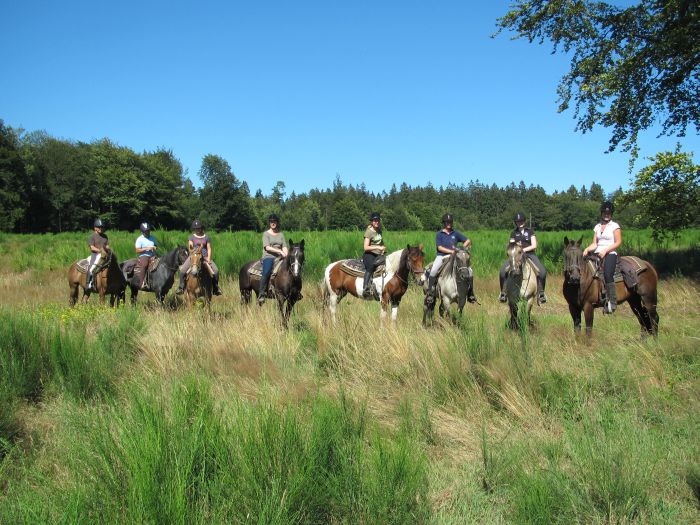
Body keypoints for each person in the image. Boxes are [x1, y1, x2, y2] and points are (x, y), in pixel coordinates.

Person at [498, 212, 547, 304]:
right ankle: (503, 293)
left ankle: (541, 293)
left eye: (521, 221)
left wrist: (523, 249)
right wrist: (516, 249)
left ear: (524, 221)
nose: (520, 223)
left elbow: (534, 245)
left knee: (542, 272)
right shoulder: (513, 233)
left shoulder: (530, 231)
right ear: (515, 222)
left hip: (530, 254)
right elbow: (511, 245)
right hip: (516, 256)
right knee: (502, 272)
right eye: (518, 221)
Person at [425, 213, 473, 305]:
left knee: (469, 271)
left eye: (450, 222)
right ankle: (430, 293)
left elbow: (468, 240)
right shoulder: (439, 234)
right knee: (434, 270)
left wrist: (461, 248)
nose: (449, 223)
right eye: (447, 222)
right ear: (444, 223)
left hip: (455, 256)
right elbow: (439, 248)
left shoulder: (455, 233)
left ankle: (471, 293)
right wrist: (452, 251)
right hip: (441, 256)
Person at [583, 201, 622, 313]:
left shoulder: (615, 226)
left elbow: (618, 242)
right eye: (604, 213)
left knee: (607, 274)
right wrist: (586, 249)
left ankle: (612, 301)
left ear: (611, 214)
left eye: (608, 213)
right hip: (597, 253)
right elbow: (595, 243)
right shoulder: (597, 226)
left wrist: (606, 250)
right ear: (601, 213)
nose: (606, 214)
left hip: (610, 253)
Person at [176, 219, 222, 296]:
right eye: (195, 228)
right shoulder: (191, 237)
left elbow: (209, 248)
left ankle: (215, 288)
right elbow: (190, 247)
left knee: (216, 271)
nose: (197, 230)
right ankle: (181, 287)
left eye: (199, 228)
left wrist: (208, 258)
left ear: (201, 228)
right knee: (183, 270)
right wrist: (194, 253)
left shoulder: (206, 237)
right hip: (194, 256)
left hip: (204, 257)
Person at [259, 213, 288, 304]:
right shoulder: (266, 234)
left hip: (280, 257)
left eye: (274, 221)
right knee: (267, 271)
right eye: (271, 221)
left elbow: (284, 246)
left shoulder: (281, 235)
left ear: (277, 222)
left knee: (292, 268)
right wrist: (279, 251)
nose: (273, 223)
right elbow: (267, 247)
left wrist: (286, 255)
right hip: (269, 256)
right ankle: (262, 294)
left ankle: (295, 291)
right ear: (269, 223)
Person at [362, 212, 386, 298]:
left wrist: (383, 248)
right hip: (369, 254)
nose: (377, 222)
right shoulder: (369, 232)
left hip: (378, 254)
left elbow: (381, 242)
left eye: (378, 220)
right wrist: (378, 248)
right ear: (372, 221)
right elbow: (365, 247)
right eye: (375, 220)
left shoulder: (379, 231)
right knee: (371, 267)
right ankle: (365, 288)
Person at [86, 218, 109, 292]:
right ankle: (88, 284)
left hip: (104, 255)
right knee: (91, 268)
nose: (101, 228)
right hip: (95, 255)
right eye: (99, 227)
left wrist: (108, 250)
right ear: (95, 228)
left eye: (102, 227)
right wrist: (100, 251)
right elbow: (92, 248)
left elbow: (107, 246)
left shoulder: (105, 236)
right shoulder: (92, 236)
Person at [135, 222, 157, 289]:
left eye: (148, 230)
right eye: (146, 231)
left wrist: (155, 247)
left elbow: (155, 245)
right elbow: (137, 250)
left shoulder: (152, 237)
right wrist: (147, 249)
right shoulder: (139, 239)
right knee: (144, 265)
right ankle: (141, 283)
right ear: (142, 231)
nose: (148, 232)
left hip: (153, 255)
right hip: (144, 256)